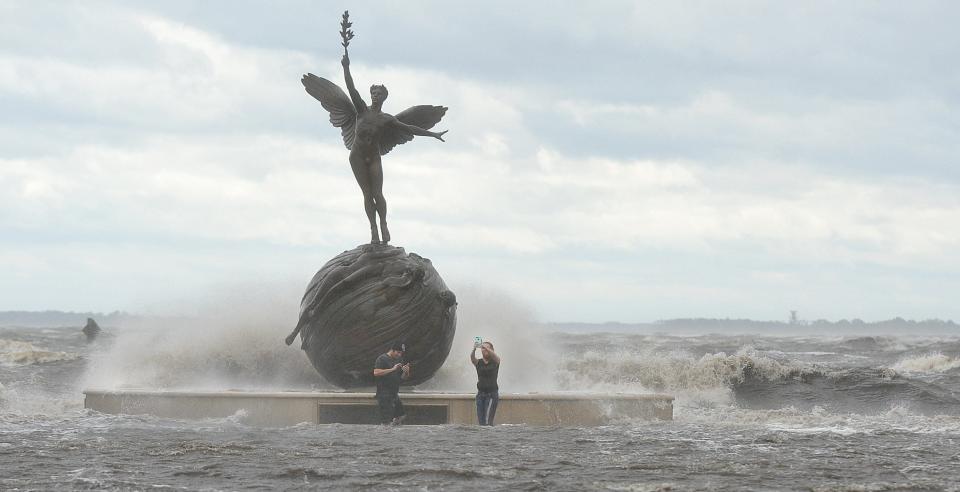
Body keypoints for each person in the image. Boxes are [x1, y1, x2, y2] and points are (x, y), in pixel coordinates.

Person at [373, 342, 410, 425]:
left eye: (401, 353)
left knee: (401, 415)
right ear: (392, 350)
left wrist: (406, 372)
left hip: (394, 393)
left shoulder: (399, 359)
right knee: (386, 421)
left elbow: (403, 378)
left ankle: (393, 432)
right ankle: (385, 434)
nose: (399, 355)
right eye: (398, 352)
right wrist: (392, 369)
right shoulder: (382, 359)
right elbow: (376, 372)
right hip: (384, 394)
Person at [470, 340, 501, 425]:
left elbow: (497, 357)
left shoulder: (495, 361)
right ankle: (483, 438)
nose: (485, 350)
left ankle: (489, 437)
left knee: (487, 421)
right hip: (480, 395)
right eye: (483, 348)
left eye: (487, 348)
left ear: (492, 350)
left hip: (491, 395)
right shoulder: (479, 362)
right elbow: (472, 359)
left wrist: (487, 348)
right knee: (481, 422)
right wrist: (474, 349)